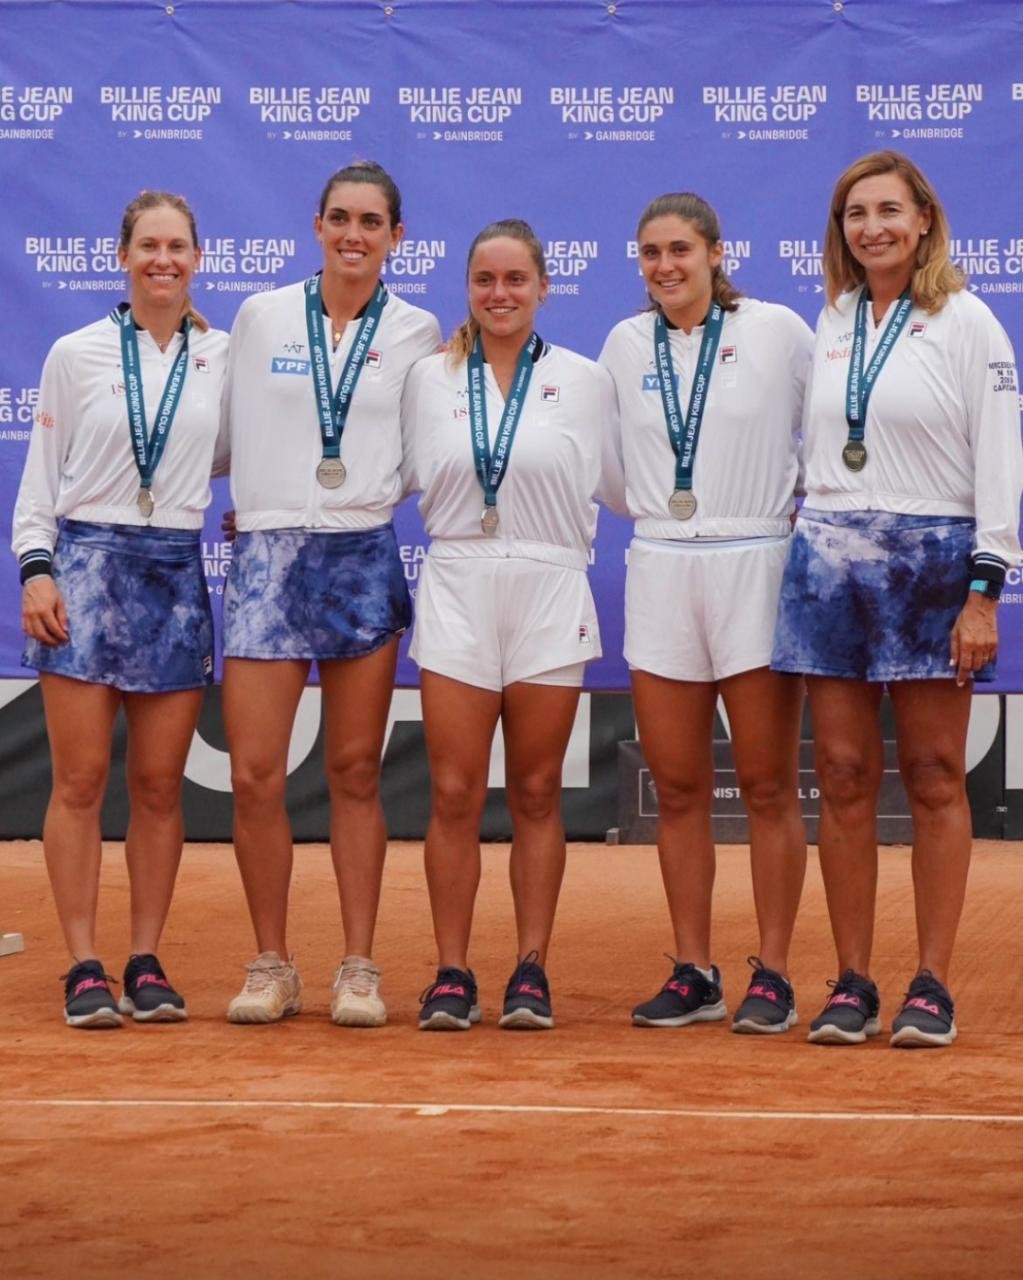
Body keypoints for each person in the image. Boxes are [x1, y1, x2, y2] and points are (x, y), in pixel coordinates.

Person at [771, 150, 1023, 1048]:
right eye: (853, 214)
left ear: (923, 219)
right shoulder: (834, 317)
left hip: (930, 566)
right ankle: (850, 982)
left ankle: (931, 984)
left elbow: (1001, 463)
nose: (870, 227)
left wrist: (984, 594)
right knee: (840, 776)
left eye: (886, 210)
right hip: (829, 563)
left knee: (932, 776)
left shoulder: (967, 321)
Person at [221, 161, 441, 1027]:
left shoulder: (419, 332)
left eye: (372, 222)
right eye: (340, 218)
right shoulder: (259, 315)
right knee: (253, 774)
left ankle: (358, 966)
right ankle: (272, 964)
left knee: (354, 770)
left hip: (360, 553)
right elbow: (220, 426)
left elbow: (433, 451)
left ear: (396, 236)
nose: (355, 234)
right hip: (268, 554)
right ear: (316, 226)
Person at [402, 218, 625, 1031]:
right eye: (484, 280)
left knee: (536, 791)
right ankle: (452, 972)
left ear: (543, 287)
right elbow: (379, 473)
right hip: (457, 580)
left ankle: (531, 969)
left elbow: (630, 486)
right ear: (466, 288)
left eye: (515, 280)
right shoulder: (427, 378)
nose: (499, 294)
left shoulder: (586, 378)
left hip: (549, 582)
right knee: (455, 792)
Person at [13, 191, 228, 1027]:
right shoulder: (75, 352)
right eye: (147, 245)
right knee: (79, 780)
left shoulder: (222, 357)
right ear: (123, 255)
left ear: (197, 258)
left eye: (177, 245)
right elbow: (39, 483)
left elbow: (247, 454)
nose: (162, 260)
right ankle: (82, 964)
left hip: (175, 573)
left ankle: (144, 957)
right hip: (87, 569)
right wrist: (38, 572)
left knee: (158, 786)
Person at [599, 193, 812, 1034]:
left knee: (764, 784)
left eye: (680, 249)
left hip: (755, 562)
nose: (664, 266)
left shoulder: (778, 332)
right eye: (649, 252)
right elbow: (609, 471)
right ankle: (693, 970)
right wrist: (663, 513)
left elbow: (825, 433)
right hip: (659, 564)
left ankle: (775, 972)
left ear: (717, 253)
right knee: (679, 787)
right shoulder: (622, 344)